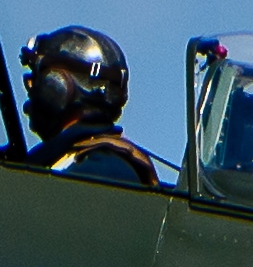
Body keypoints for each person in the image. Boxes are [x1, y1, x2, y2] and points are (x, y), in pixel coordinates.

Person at [21, 26, 167, 188]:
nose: (31, 88)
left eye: (37, 79)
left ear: (58, 85)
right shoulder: (70, 160)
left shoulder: (102, 169)